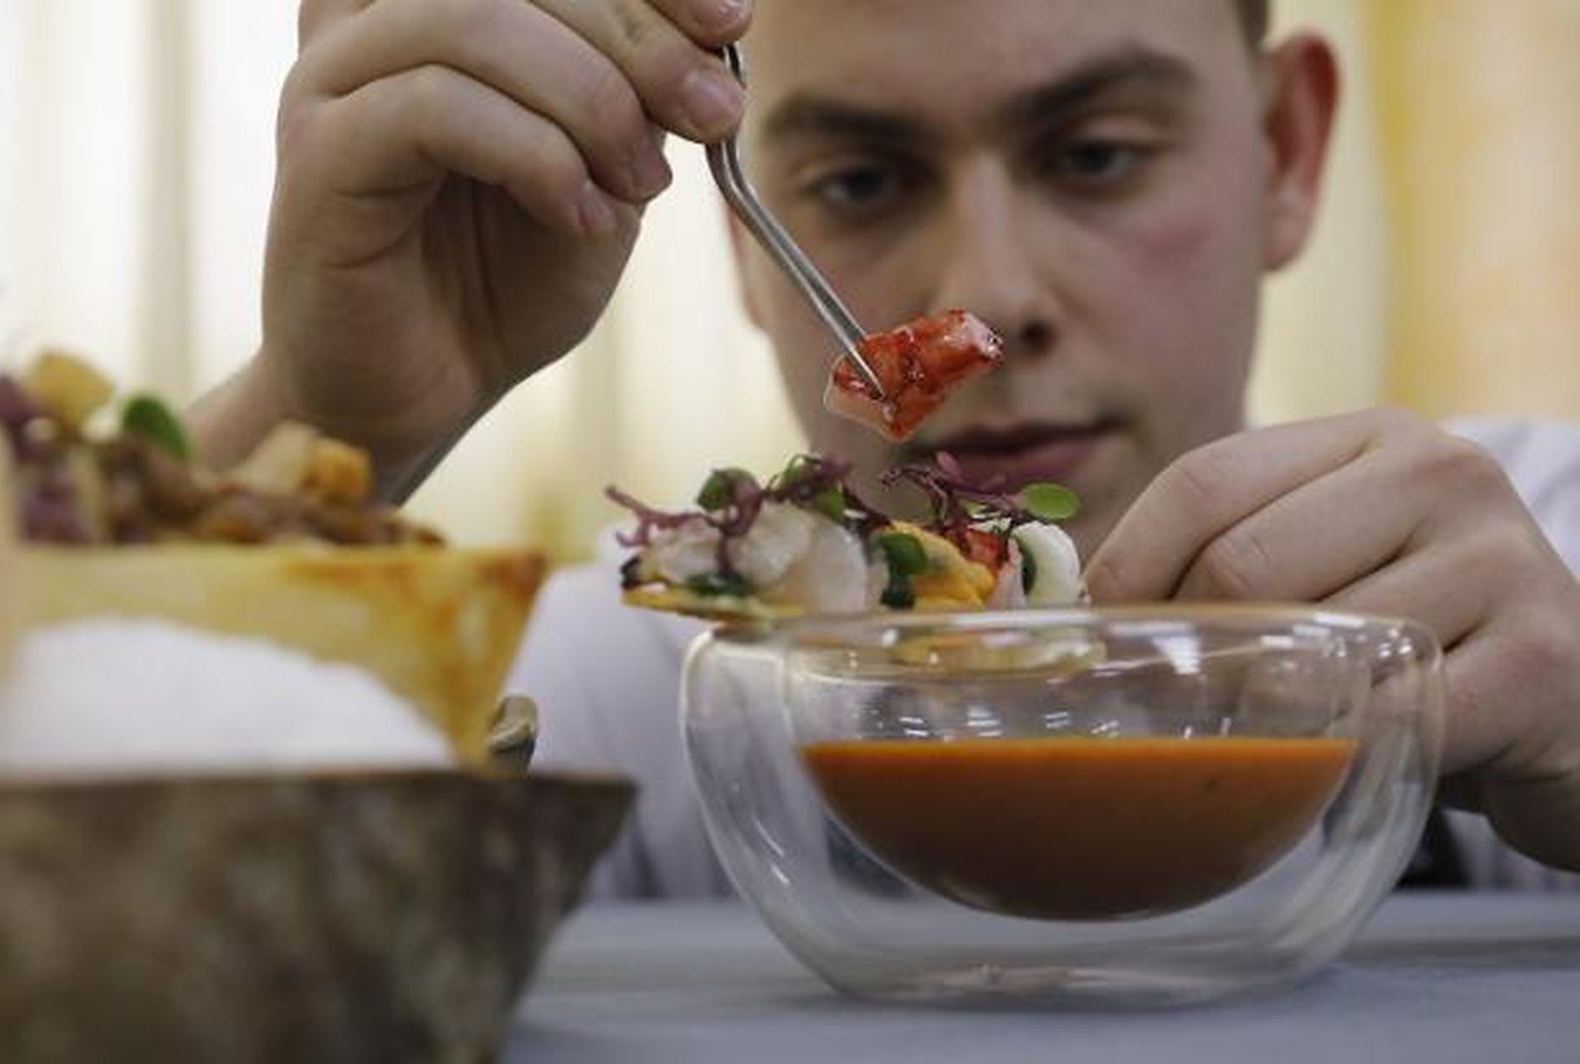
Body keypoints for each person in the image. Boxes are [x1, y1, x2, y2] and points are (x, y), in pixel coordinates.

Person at [191, 0, 1580, 894]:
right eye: (861, 182)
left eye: (1095, 155)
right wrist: (336, 424)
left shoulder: (1537, 565)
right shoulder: (646, 684)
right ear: (744, 236)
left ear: (1284, 149)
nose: (990, 304)